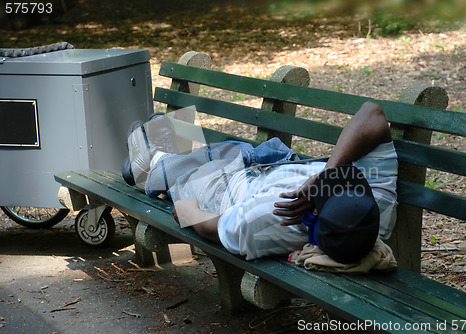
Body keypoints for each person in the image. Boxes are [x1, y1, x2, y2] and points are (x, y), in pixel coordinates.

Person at [124, 101, 398, 264]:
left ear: (313, 212)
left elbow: (209, 225)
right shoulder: (379, 203)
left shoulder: (270, 219)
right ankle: (164, 144)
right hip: (272, 159)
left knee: (159, 174)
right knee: (197, 148)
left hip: (224, 187)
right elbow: (371, 113)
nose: (341, 175)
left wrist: (186, 208)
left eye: (330, 185)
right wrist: (323, 174)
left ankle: (156, 157)